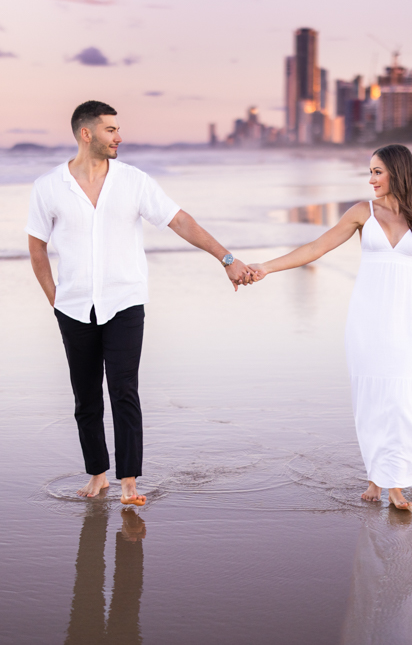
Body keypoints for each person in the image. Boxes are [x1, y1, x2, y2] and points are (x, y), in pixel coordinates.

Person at [27, 100, 254, 506]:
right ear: (86, 133)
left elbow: (180, 220)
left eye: (117, 129)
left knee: (124, 390)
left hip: (125, 301)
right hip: (74, 306)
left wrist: (227, 258)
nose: (119, 136)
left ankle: (128, 481)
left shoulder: (134, 181)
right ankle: (98, 474)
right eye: (111, 129)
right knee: (85, 397)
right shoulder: (48, 187)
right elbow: (37, 247)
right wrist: (55, 300)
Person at [250, 144, 412, 511]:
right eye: (370, 172)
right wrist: (266, 266)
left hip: (406, 321)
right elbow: (317, 248)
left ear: (398, 171)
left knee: (401, 398)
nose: (371, 179)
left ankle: (387, 478)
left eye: (378, 171)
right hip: (367, 321)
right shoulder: (363, 212)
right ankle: (385, 481)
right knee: (374, 398)